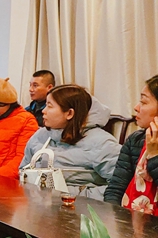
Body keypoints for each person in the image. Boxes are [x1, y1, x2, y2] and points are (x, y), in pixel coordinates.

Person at [20, 85, 120, 200]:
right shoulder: (40, 135)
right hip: (36, 204)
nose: (43, 111)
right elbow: (23, 169)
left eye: (49, 106)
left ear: (69, 113)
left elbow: (119, 186)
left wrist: (71, 195)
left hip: (78, 207)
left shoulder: (102, 143)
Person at [104, 75, 158, 214]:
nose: (136, 107)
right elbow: (115, 190)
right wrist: (116, 221)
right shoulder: (135, 140)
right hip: (128, 221)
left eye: (144, 102)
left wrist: (154, 155)